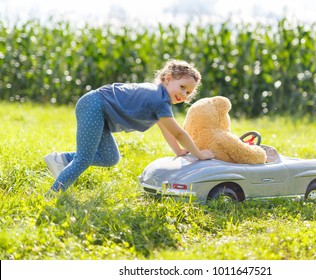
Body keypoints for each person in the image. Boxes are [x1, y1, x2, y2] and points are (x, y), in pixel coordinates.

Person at [44, 60, 214, 195]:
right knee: (84, 158)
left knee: (110, 158)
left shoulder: (161, 100)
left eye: (188, 93)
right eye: (182, 87)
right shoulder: (158, 99)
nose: (184, 95)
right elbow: (178, 132)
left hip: (100, 112)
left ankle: (61, 159)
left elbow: (166, 128)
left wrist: (178, 151)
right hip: (94, 105)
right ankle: (53, 195)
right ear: (168, 79)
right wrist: (199, 154)